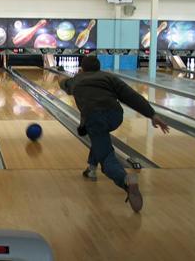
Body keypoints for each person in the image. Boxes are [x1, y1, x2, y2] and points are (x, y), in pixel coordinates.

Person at [59, 56, 169, 212]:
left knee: (106, 155)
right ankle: (91, 168)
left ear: (82, 68)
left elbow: (63, 83)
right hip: (115, 115)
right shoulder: (109, 77)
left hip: (95, 118)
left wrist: (61, 76)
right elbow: (131, 96)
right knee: (100, 138)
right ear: (99, 67)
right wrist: (152, 114)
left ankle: (125, 180)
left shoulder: (77, 80)